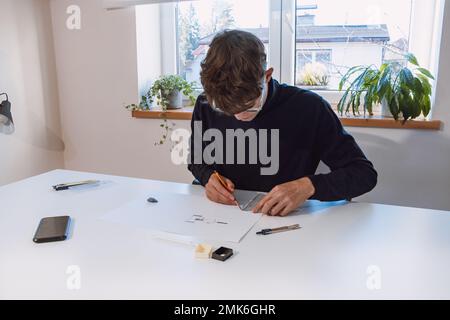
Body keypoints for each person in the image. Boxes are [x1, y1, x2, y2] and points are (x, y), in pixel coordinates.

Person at [188, 30, 377, 216]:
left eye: (249, 107)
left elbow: (363, 174)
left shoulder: (309, 108)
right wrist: (207, 178)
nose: (239, 117)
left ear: (267, 76)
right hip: (224, 216)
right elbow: (196, 160)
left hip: (285, 224)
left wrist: (308, 186)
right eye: (227, 111)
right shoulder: (206, 104)